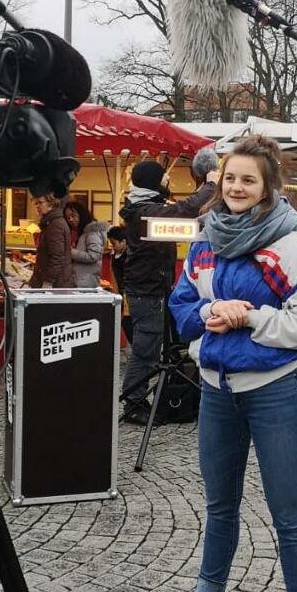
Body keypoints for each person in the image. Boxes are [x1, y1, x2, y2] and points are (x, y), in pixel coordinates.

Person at [153, 135, 297, 592]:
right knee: (219, 504)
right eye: (231, 178)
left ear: (267, 187)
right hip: (215, 390)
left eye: (249, 180)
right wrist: (211, 310)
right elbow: (180, 308)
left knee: (288, 514)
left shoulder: (290, 243)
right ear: (219, 180)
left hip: (275, 390)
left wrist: (249, 318)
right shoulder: (204, 241)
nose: (237, 187)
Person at [119, 159, 218, 422]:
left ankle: (144, 398)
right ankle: (133, 402)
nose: (167, 183)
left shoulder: (145, 207)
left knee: (153, 347)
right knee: (146, 349)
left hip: (153, 288)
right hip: (146, 291)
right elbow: (184, 209)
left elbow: (185, 217)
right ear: (154, 182)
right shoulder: (144, 210)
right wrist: (210, 185)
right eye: (164, 178)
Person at [28, 195, 75, 288]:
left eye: (40, 203)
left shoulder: (55, 225)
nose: (37, 206)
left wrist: (48, 281)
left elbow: (57, 257)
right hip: (56, 281)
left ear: (51, 203)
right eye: (36, 203)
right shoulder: (50, 222)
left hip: (55, 284)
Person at [65, 199, 108, 288]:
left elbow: (93, 256)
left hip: (86, 283)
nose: (71, 220)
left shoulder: (92, 231)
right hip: (80, 282)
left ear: (81, 214)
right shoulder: (80, 232)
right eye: (68, 217)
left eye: (73, 216)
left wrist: (70, 252)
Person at [107, 225, 134, 345]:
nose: (113, 247)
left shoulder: (130, 255)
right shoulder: (115, 256)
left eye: (114, 243)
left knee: (128, 323)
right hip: (122, 293)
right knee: (125, 323)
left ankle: (136, 349)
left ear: (123, 241)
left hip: (129, 294)